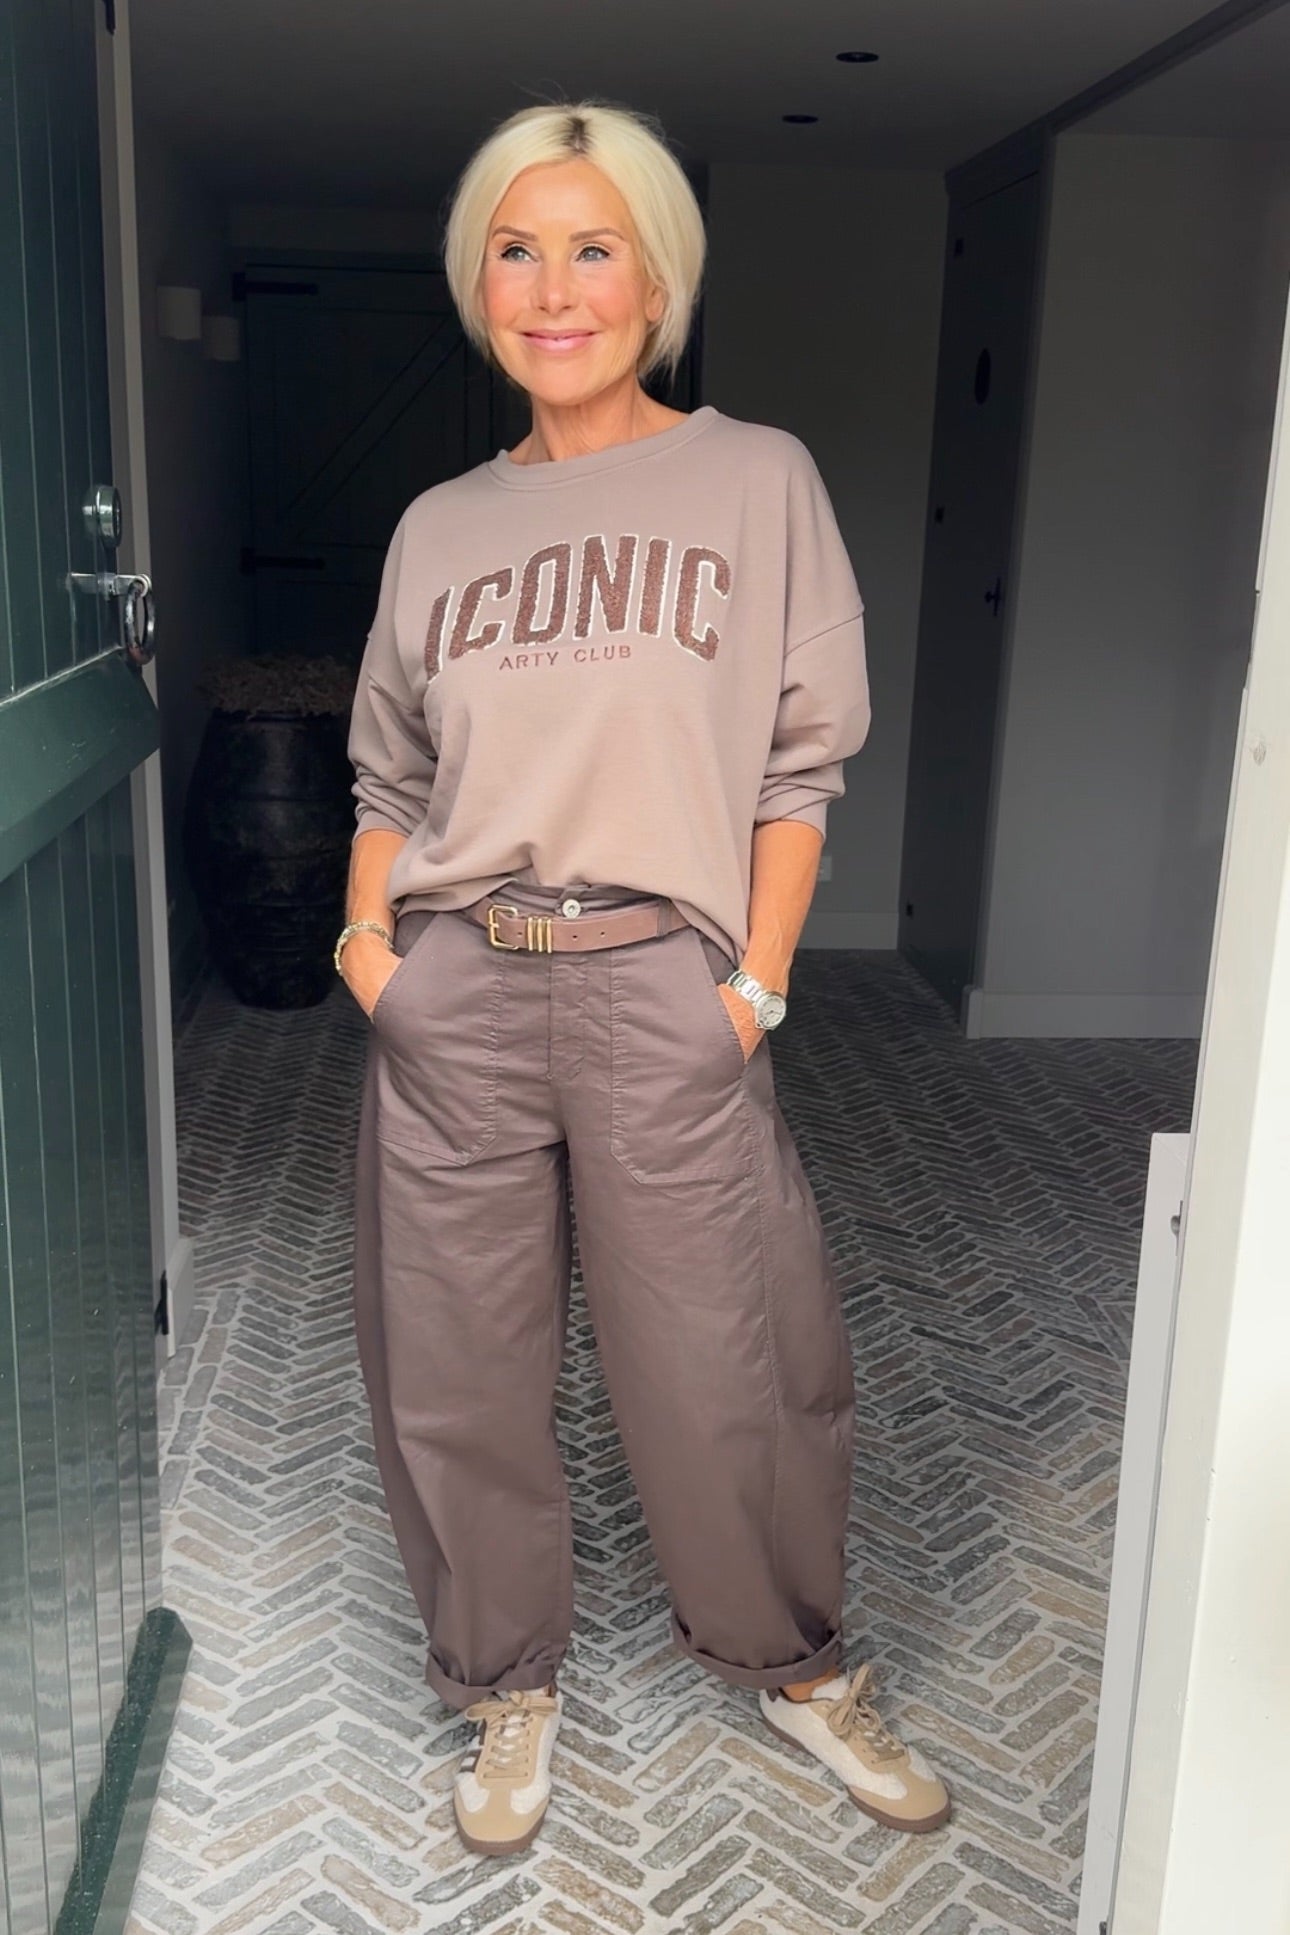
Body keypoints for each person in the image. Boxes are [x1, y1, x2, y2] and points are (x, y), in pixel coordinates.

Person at [338, 98, 950, 1858]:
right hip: (456, 986)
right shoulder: (437, 526)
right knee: (452, 1363)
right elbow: (389, 776)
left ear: (658, 279)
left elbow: (797, 765)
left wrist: (753, 986)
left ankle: (793, 1661)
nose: (553, 290)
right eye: (515, 252)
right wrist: (371, 954)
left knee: (729, 1356)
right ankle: (500, 1683)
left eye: (592, 248)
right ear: (478, 285)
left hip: (660, 985)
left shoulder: (756, 481)